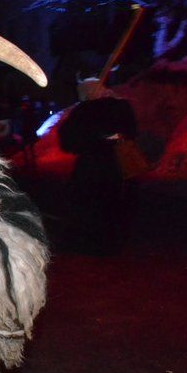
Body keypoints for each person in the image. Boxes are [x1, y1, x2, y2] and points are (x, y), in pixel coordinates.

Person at [58, 78, 138, 255]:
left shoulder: (83, 111)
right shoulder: (120, 107)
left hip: (91, 163)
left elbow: (68, 141)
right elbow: (131, 131)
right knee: (110, 202)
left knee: (88, 203)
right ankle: (109, 243)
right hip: (113, 163)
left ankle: (89, 242)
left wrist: (90, 140)